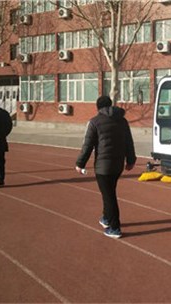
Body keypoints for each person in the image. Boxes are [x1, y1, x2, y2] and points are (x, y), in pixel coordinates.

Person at [75, 96, 136, 239]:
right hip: (117, 165)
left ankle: (114, 227)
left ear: (98, 107)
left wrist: (80, 164)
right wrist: (131, 160)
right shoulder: (122, 120)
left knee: (109, 196)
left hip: (103, 167)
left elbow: (87, 145)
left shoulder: (94, 122)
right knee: (108, 192)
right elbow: (129, 142)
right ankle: (107, 218)